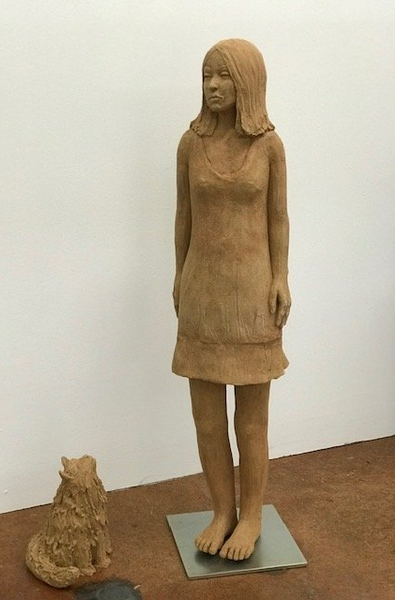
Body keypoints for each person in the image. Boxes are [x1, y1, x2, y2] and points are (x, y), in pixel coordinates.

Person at [172, 39, 291, 561]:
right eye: (206, 76)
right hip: (203, 290)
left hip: (252, 294)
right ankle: (222, 511)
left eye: (222, 76)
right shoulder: (189, 144)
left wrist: (281, 277)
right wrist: (179, 274)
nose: (212, 86)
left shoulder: (269, 146)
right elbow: (183, 215)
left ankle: (252, 515)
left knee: (252, 420)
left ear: (247, 82)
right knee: (206, 418)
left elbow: (278, 217)